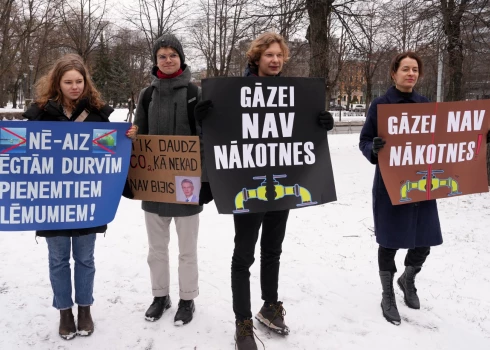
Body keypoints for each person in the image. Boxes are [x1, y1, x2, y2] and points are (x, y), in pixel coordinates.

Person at [194, 32, 334, 350]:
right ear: (256, 58)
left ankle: (270, 305)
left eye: (279, 55)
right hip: (247, 184)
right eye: (269, 54)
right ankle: (242, 322)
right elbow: (218, 132)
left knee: (273, 249)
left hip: (282, 184)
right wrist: (201, 119)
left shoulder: (295, 95)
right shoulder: (232, 93)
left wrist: (322, 123)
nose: (274, 60)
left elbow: (303, 132)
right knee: (243, 254)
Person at [22, 53, 137, 340]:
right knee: (58, 259)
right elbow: (23, 150)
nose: (74, 87)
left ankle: (85, 309)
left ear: (86, 82)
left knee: (85, 259)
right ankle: (65, 311)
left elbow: (111, 153)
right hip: (52, 201)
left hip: (88, 201)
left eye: (79, 81)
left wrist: (127, 138)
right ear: (57, 83)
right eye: (68, 82)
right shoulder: (40, 113)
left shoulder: (99, 114)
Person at [359, 52, 442, 326]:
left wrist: (478, 134)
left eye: (415, 69)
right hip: (390, 184)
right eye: (405, 69)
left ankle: (407, 279)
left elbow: (444, 139)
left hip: (421, 183)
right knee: (390, 240)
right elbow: (365, 141)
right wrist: (374, 148)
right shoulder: (381, 105)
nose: (411, 74)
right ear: (393, 73)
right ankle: (387, 294)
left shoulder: (426, 104)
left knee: (425, 238)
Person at [133, 33, 203, 326]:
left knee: (187, 249)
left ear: (181, 58)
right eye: (162, 56)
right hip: (154, 183)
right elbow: (139, 130)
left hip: (186, 183)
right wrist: (132, 134)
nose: (168, 60)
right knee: (156, 249)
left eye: (172, 55)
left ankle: (187, 299)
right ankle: (160, 296)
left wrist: (208, 119)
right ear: (155, 60)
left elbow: (207, 137)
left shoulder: (194, 92)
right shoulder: (147, 94)